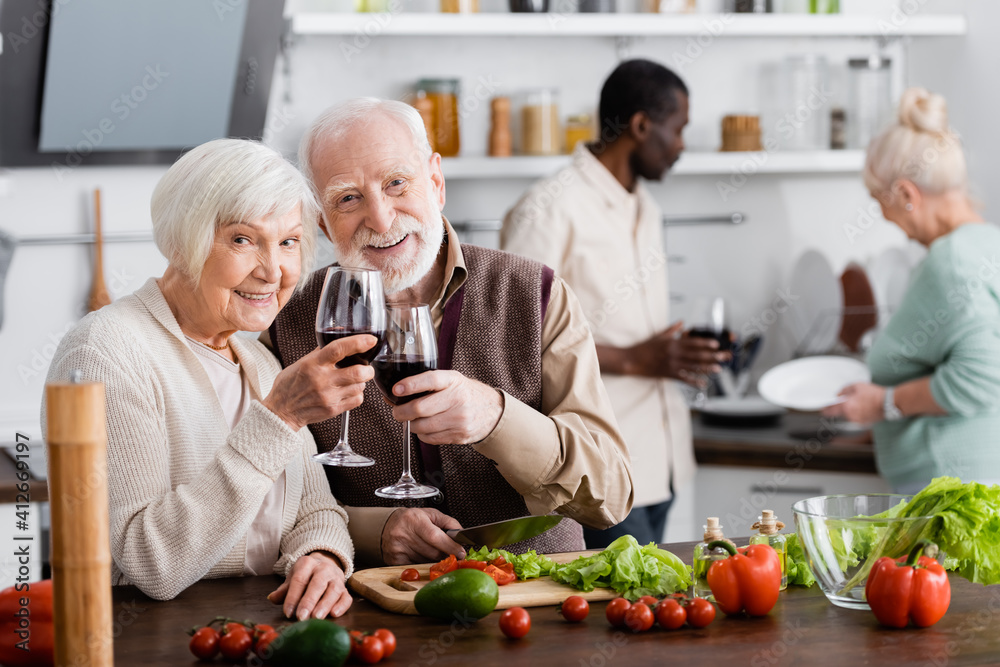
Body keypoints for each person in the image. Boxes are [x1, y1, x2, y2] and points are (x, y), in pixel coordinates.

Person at [267, 97, 633, 566]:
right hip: (376, 616)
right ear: (321, 220)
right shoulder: (287, 320)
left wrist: (498, 419)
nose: (380, 219)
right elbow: (268, 505)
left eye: (397, 183)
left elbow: (611, 497)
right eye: (348, 198)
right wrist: (372, 529)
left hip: (539, 605)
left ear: (436, 182)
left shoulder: (535, 293)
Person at [41, 139, 376, 620]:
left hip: (263, 630)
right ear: (181, 243)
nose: (272, 270)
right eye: (242, 240)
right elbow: (148, 567)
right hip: (145, 641)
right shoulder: (107, 352)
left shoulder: (258, 362)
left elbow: (315, 511)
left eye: (288, 242)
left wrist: (320, 557)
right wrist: (279, 418)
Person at [501, 60, 726, 548]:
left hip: (661, 463)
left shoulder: (646, 207)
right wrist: (636, 358)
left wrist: (668, 352)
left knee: (655, 608)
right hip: (595, 470)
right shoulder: (550, 207)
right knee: (621, 616)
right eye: (679, 129)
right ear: (642, 126)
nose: (683, 144)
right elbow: (511, 341)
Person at [824, 87, 1000, 493]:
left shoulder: (951, 261)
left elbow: (983, 375)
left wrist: (882, 403)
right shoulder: (986, 244)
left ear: (906, 195)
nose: (883, 217)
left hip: (949, 490)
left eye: (877, 200)